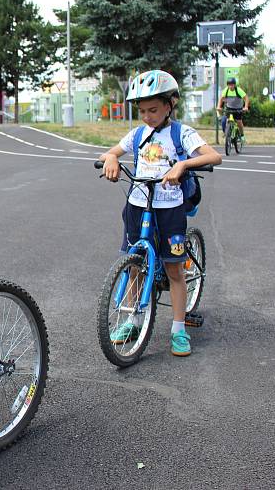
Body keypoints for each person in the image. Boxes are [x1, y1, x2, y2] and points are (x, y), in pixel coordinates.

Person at [99, 70, 222, 357]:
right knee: (134, 265)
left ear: (170, 105)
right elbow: (109, 153)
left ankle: (179, 329)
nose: (147, 116)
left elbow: (213, 156)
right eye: (142, 110)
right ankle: (133, 320)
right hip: (138, 205)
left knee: (174, 269)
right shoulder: (138, 134)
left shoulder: (182, 133)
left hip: (169, 209)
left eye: (153, 109)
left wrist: (183, 166)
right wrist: (112, 159)